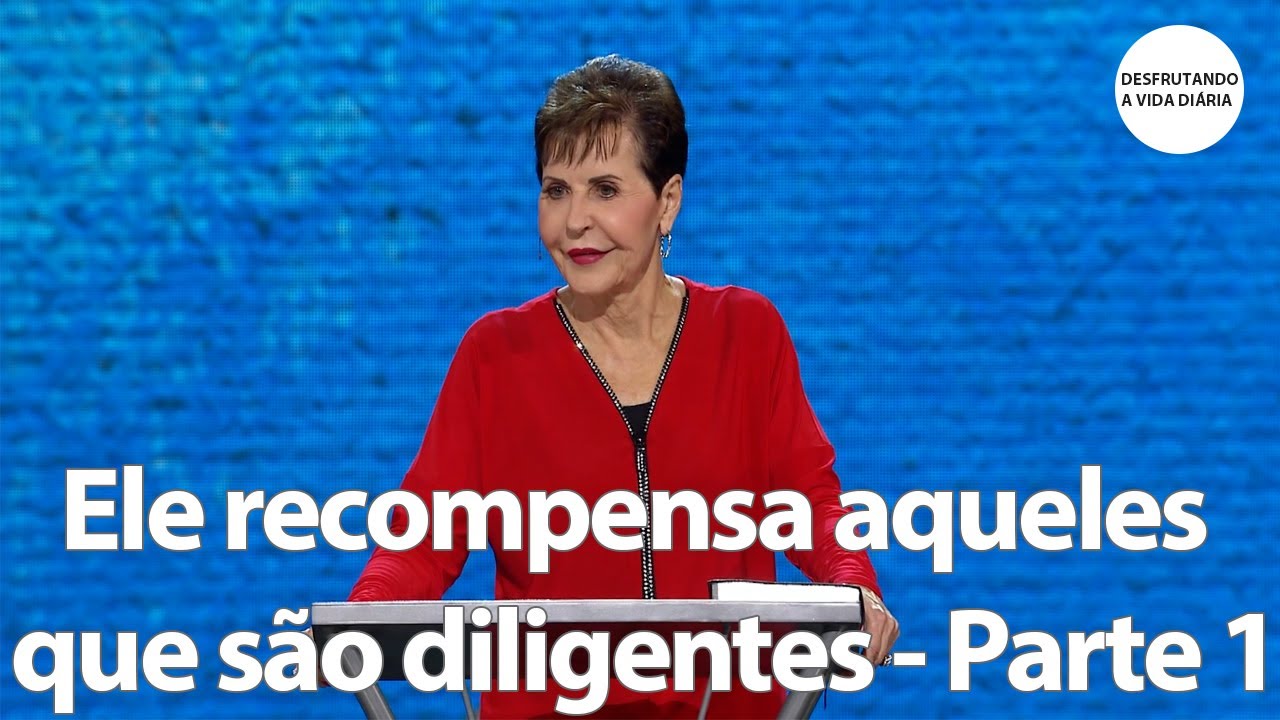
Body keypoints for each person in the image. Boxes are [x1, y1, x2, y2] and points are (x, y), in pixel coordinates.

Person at [348, 54, 898, 718]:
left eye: (605, 189)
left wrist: (853, 584)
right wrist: (363, 616)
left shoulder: (745, 333)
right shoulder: (496, 354)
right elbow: (423, 536)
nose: (574, 221)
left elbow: (808, 506)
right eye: (556, 190)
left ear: (667, 202)